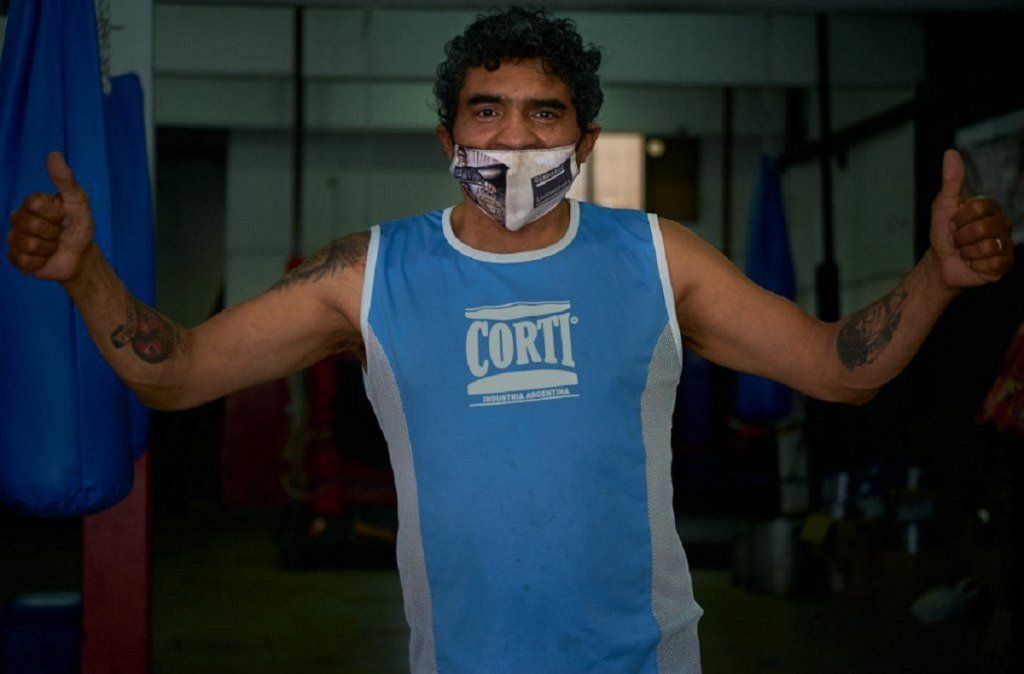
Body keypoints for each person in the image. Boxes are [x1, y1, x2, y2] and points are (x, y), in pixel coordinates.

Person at [5, 6, 1014, 673]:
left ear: (584, 142)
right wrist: (84, 274)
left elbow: (837, 369)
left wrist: (938, 277)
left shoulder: (659, 257)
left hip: (646, 661)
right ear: (448, 139)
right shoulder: (369, 274)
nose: (515, 141)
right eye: (486, 113)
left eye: (544, 115)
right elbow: (179, 374)